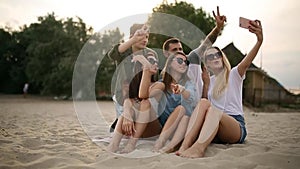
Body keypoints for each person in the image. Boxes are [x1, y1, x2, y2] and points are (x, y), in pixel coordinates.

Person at [176, 19, 263, 158]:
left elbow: (246, 62)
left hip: (234, 125)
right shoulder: (209, 81)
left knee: (213, 110)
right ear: (208, 65)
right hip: (213, 126)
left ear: (222, 58)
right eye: (210, 57)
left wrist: (259, 41)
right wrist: (205, 84)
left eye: (218, 54)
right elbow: (203, 106)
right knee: (204, 103)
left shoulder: (234, 74)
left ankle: (198, 149)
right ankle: (185, 146)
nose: (215, 57)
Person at [162, 6, 226, 101]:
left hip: (199, 106)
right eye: (174, 50)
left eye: (180, 48)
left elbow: (206, 44)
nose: (179, 51)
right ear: (166, 54)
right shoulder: (164, 75)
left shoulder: (191, 59)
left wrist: (217, 28)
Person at [139, 51, 197, 152]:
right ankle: (160, 142)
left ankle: (163, 144)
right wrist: (146, 71)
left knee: (181, 110)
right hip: (162, 127)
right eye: (180, 61)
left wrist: (182, 90)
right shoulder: (162, 83)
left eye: (186, 62)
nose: (183, 64)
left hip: (181, 128)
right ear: (170, 63)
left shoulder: (188, 83)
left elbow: (191, 97)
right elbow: (144, 96)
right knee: (146, 103)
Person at [106, 51, 162, 153]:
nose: (155, 64)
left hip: (152, 129)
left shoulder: (159, 85)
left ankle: (131, 144)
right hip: (135, 128)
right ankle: (113, 145)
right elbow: (127, 100)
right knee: (126, 113)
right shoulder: (132, 84)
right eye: (150, 61)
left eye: (155, 61)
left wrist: (146, 68)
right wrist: (127, 114)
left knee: (145, 103)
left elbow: (143, 95)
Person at [105, 23, 156, 132]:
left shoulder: (151, 53)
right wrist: (134, 39)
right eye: (142, 36)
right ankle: (118, 123)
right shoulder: (124, 51)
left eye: (147, 37)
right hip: (122, 95)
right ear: (132, 36)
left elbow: (153, 75)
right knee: (124, 125)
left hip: (141, 95)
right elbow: (112, 54)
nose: (145, 40)